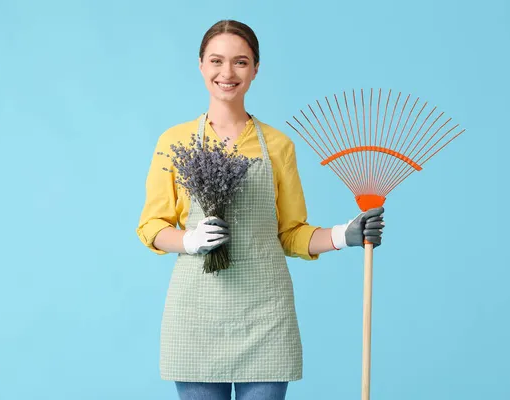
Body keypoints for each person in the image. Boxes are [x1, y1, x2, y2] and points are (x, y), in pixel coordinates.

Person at [136, 19, 385, 400]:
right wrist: (189, 240)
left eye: (240, 61)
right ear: (201, 64)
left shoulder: (278, 144)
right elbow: (152, 226)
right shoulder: (174, 141)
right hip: (195, 317)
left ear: (255, 69)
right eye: (216, 61)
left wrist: (341, 235)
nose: (227, 73)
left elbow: (290, 232)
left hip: (265, 315)